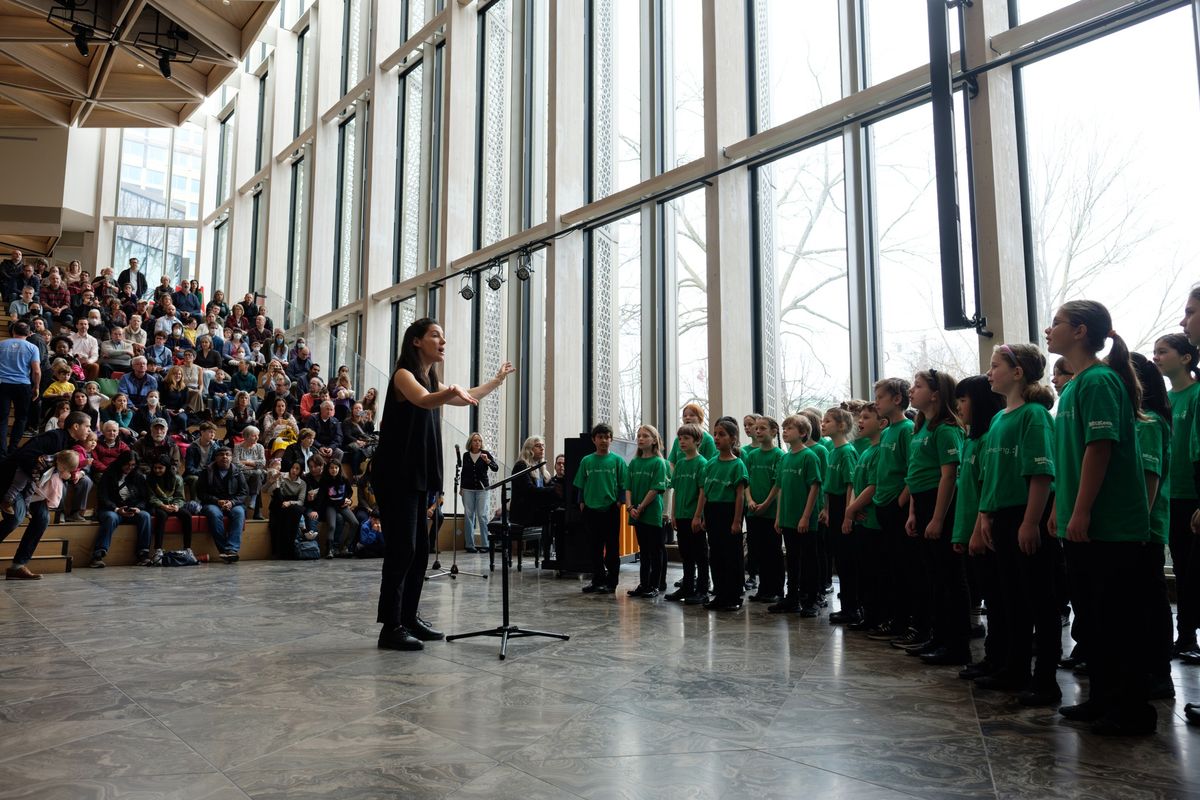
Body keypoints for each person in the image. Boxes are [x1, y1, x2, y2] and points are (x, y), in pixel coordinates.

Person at [1046, 299, 1155, 736]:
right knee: (1094, 621)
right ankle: (1103, 699)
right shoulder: (1074, 387)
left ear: (1080, 331)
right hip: (1082, 523)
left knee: (1117, 622)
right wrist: (1062, 506)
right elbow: (1069, 457)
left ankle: (1131, 712)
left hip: (1110, 525)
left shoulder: (1101, 381)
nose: (1049, 329)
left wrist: (1084, 510)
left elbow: (1100, 447)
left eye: (1057, 322)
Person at [373, 318, 513, 651]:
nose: (443, 340)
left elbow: (466, 398)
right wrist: (451, 391)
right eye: (436, 335)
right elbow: (423, 400)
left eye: (444, 336)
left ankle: (409, 617)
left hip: (418, 475)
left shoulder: (431, 378)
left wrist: (495, 380)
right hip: (396, 474)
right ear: (416, 341)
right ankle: (390, 626)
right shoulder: (404, 376)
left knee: (421, 550)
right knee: (402, 549)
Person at [975, 345, 1060, 703]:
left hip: (1027, 515)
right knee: (1011, 599)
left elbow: (1041, 473)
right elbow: (990, 474)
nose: (989, 372)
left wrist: (1031, 522)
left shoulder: (1034, 416)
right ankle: (1015, 668)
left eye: (995, 366)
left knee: (1039, 599)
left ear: (1018, 371)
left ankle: (1045, 680)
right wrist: (984, 516)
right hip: (1002, 517)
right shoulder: (997, 419)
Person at [902, 369, 968, 665]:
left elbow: (949, 475)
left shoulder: (945, 429)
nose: (911, 391)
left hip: (941, 504)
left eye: (917, 386)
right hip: (923, 504)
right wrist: (914, 512)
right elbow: (915, 474)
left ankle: (956, 644)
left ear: (936, 394)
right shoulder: (921, 427)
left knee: (949, 577)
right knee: (933, 577)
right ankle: (938, 636)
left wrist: (938, 518)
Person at [1129, 352, 1175, 702]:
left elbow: (1149, 477)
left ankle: (1158, 674)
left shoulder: (1148, 423)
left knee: (1149, 599)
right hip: (1131, 528)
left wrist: (1137, 528)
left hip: (1142, 530)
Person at [1153, 333, 1200, 659]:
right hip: (1172, 494)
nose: (1156, 357)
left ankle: (1189, 636)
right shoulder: (1166, 401)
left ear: (1185, 357)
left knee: (1193, 570)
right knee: (1182, 569)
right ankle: (1183, 636)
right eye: (1154, 352)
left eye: (1163, 351)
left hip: (1194, 496)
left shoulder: (1197, 394)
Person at [868, 378, 914, 642]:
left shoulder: (908, 429)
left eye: (880, 397)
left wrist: (900, 501)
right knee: (889, 567)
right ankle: (893, 618)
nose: (876, 402)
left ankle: (904, 621)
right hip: (883, 506)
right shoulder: (886, 433)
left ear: (897, 399)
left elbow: (911, 470)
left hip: (898, 507)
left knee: (903, 568)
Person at [694, 418, 750, 612]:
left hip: (729, 511)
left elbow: (740, 496)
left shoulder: (738, 465)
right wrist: (700, 516)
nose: (717, 438)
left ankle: (733, 596)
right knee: (716, 554)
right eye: (715, 434)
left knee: (731, 555)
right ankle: (720, 594)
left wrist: (736, 521)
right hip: (713, 511)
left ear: (733, 438)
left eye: (722, 434)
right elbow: (704, 492)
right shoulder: (709, 464)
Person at [770, 414, 823, 615]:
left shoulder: (809, 456)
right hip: (787, 518)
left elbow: (814, 487)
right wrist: (778, 516)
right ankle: (791, 598)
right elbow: (781, 489)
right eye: (783, 428)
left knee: (809, 560)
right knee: (792, 560)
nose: (784, 432)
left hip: (804, 519)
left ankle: (811, 600)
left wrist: (806, 516)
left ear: (802, 433)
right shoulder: (785, 458)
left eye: (789, 428)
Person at [843, 403, 889, 630]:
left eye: (866, 418)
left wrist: (852, 509)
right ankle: (868, 614)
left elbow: (873, 485)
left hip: (872, 520)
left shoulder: (881, 451)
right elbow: (857, 485)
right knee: (865, 571)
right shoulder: (867, 450)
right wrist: (851, 509)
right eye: (859, 417)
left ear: (882, 423)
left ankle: (878, 617)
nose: (859, 422)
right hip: (861, 519)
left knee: (876, 573)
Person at [574, 423, 628, 595]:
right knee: (594, 548)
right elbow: (581, 484)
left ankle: (611, 582)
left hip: (611, 509)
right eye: (600, 437)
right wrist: (581, 502)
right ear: (594, 440)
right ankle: (597, 580)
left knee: (612, 548)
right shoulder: (586, 461)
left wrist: (619, 502)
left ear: (611, 439)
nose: (604, 440)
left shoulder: (618, 461)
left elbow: (623, 485)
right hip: (591, 509)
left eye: (607, 437)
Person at [821, 407, 860, 623]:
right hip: (834, 507)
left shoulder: (847, 451)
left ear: (842, 426)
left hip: (844, 507)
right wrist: (826, 510)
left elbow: (850, 485)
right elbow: (828, 486)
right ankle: (846, 606)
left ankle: (852, 608)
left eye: (828, 421)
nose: (823, 424)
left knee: (847, 561)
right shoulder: (832, 451)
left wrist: (848, 515)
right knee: (839, 558)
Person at [665, 423, 710, 604]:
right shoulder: (681, 463)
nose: (682, 442)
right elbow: (676, 490)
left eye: (686, 439)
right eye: (680, 439)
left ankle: (702, 590)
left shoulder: (702, 463)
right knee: (686, 553)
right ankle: (687, 587)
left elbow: (703, 492)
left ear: (697, 441)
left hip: (694, 516)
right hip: (681, 516)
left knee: (700, 554)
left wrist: (698, 515)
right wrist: (674, 514)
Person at [625, 425, 669, 598]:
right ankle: (644, 584)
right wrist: (630, 507)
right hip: (636, 512)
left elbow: (656, 488)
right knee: (643, 550)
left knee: (655, 550)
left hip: (650, 513)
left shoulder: (659, 463)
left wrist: (641, 507)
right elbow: (628, 487)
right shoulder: (634, 462)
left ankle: (655, 585)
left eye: (645, 436)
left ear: (654, 440)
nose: (640, 438)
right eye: (639, 436)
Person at [744, 416, 784, 604]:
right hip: (753, 511)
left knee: (772, 552)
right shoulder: (751, 455)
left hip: (770, 512)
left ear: (774, 432)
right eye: (756, 428)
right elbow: (747, 481)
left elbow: (778, 484)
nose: (758, 431)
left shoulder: (779, 455)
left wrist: (767, 503)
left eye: (762, 428)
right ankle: (763, 589)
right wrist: (750, 500)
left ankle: (776, 589)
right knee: (758, 551)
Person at [90, 450, 153, 567]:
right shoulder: (109, 474)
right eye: (127, 464)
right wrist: (116, 509)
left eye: (133, 465)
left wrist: (138, 508)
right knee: (111, 517)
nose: (130, 468)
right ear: (121, 462)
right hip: (111, 509)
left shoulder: (138, 476)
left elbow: (145, 498)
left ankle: (143, 554)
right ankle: (98, 554)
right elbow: (103, 497)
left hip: (131, 510)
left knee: (145, 516)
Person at [197, 447, 249, 563]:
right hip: (212, 503)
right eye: (221, 454)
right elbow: (201, 493)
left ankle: (231, 549)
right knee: (214, 513)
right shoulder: (207, 471)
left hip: (233, 503)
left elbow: (244, 492)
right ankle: (225, 551)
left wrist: (232, 502)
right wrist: (217, 501)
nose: (224, 457)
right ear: (215, 458)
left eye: (227, 454)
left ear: (231, 457)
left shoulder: (237, 471)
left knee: (239, 513)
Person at [0, 322, 41, 458]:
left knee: (2, 418)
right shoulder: (32, 347)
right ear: (29, 334)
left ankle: (1, 451)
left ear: (13, 332)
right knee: (21, 418)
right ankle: (12, 449)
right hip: (23, 385)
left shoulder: (1, 344)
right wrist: (36, 387)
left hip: (3, 384)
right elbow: (36, 371)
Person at [267, 460, 314, 558]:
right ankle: (277, 552)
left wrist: (290, 503)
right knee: (276, 522)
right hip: (279, 504)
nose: (294, 470)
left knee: (297, 510)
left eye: (297, 469)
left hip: (291, 505)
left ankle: (290, 549)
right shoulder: (281, 476)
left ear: (300, 471)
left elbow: (301, 501)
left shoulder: (302, 483)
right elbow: (264, 490)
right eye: (292, 467)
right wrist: (270, 482)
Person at [460, 431, 497, 552]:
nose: (478, 442)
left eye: (480, 440)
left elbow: (495, 468)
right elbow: (464, 472)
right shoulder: (466, 455)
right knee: (469, 516)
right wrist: (461, 487)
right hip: (467, 489)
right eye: (475, 440)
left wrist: (487, 461)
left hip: (482, 489)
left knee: (482, 515)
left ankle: (485, 545)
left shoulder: (485, 454)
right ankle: (470, 545)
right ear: (471, 443)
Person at [148, 456, 192, 557]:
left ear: (167, 468)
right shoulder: (150, 479)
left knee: (187, 515)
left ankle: (187, 548)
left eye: (160, 468)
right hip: (158, 506)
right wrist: (162, 506)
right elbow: (151, 497)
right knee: (161, 516)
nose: (157, 470)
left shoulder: (177, 478)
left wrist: (176, 506)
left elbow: (180, 497)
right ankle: (158, 549)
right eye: (155, 468)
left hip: (173, 505)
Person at [318, 458, 358, 557]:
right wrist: (317, 510)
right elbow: (321, 497)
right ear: (328, 469)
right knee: (332, 526)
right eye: (331, 468)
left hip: (342, 505)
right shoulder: (324, 480)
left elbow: (350, 492)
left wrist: (348, 499)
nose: (334, 470)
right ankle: (330, 549)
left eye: (336, 468)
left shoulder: (344, 479)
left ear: (339, 469)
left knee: (355, 523)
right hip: (330, 506)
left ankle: (346, 546)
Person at [233, 425, 267, 520]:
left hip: (256, 474)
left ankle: (251, 504)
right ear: (246, 437)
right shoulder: (237, 447)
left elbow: (262, 463)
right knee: (255, 477)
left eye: (258, 435)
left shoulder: (260, 447)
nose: (257, 437)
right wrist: (253, 465)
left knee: (257, 475)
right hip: (242, 474)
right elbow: (235, 463)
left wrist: (245, 462)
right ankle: (256, 509)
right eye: (254, 435)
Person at [184, 422, 219, 498]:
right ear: (202, 432)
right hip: (193, 474)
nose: (213, 435)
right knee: (195, 479)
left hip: (209, 473)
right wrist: (202, 473)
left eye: (214, 433)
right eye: (210, 432)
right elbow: (189, 468)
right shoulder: (192, 447)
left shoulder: (216, 447)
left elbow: (216, 464)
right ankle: (196, 503)